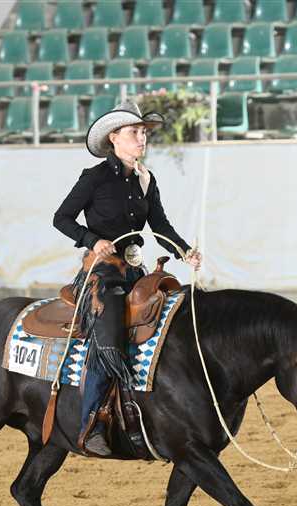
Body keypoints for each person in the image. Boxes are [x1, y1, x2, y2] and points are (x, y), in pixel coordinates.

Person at [53, 100, 202, 456]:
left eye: (143, 132)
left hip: (134, 270)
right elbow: (62, 218)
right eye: (134, 132)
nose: (141, 138)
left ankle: (145, 412)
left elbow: (159, 224)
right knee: (109, 335)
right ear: (114, 138)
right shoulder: (94, 178)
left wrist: (184, 251)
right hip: (102, 273)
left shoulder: (146, 179)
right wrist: (92, 240)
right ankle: (91, 423)